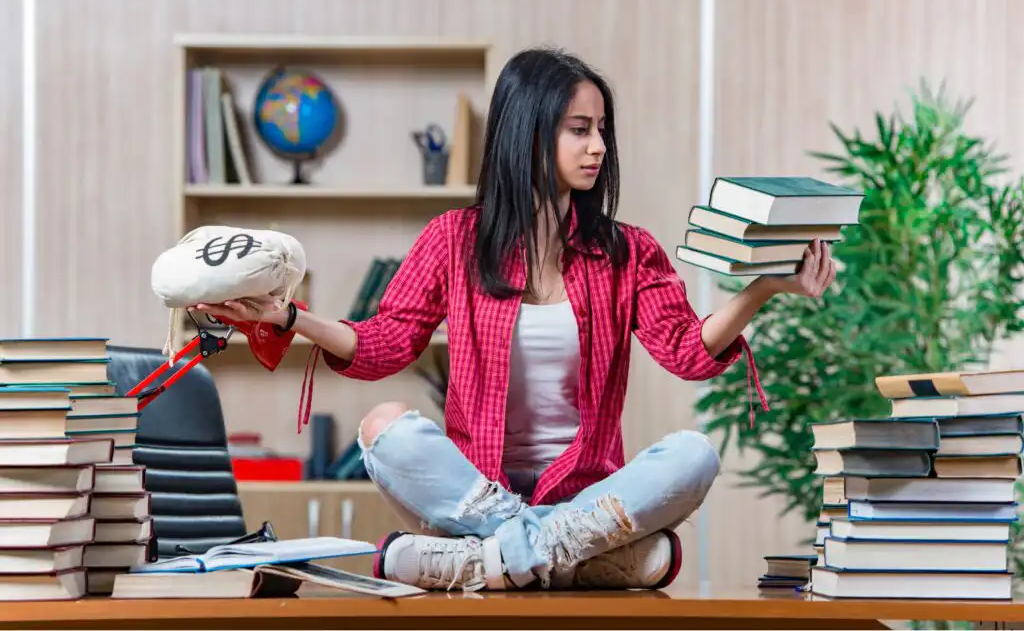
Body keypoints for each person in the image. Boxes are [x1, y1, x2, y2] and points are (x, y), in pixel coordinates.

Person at [195, 47, 836, 593]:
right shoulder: (454, 239)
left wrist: (762, 289)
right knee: (384, 428)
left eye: (602, 129)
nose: (599, 147)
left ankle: (489, 561)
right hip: (481, 492)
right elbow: (385, 343)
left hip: (586, 494)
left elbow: (687, 352)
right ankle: (554, 554)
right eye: (579, 129)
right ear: (530, 133)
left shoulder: (628, 251)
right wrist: (292, 318)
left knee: (694, 454)